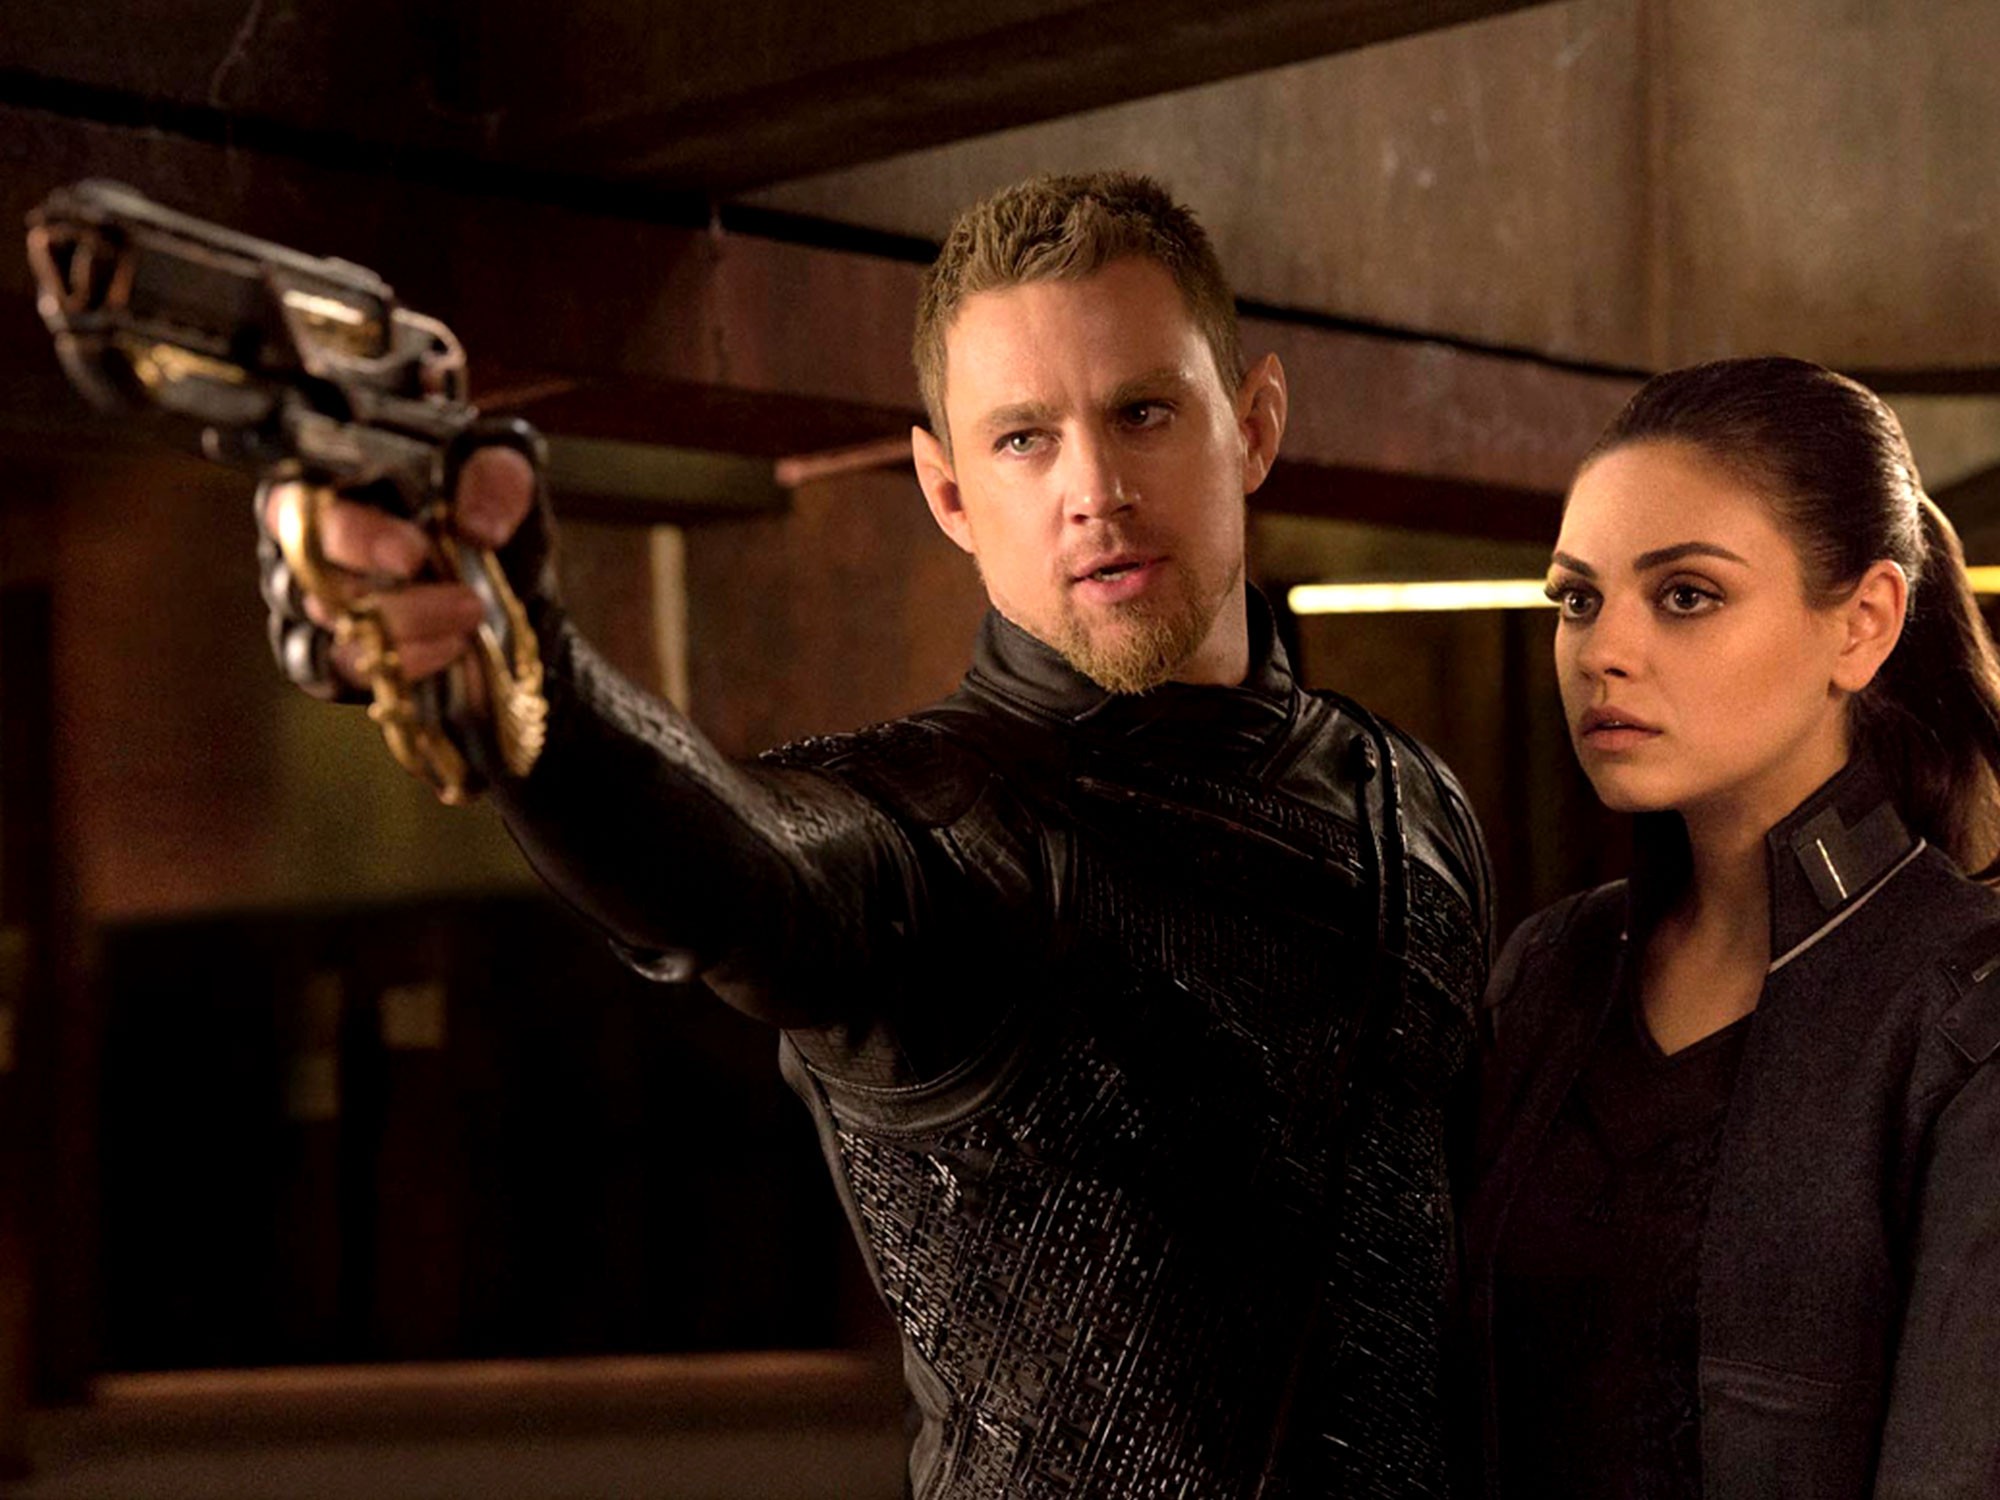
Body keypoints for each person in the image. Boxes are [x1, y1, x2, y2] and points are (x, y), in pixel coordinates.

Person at [260, 172, 1491, 1498]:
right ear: (947, 492)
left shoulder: (1411, 806)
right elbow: (731, 865)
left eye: (1142, 412)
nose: (1093, 488)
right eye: (1023, 439)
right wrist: (528, 685)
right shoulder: (933, 836)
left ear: (1250, 427)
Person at [1460, 356, 2000, 1500]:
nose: (1601, 651)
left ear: (1861, 624)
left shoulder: (1966, 1015)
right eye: (1575, 599)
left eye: (1684, 595)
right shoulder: (1544, 973)